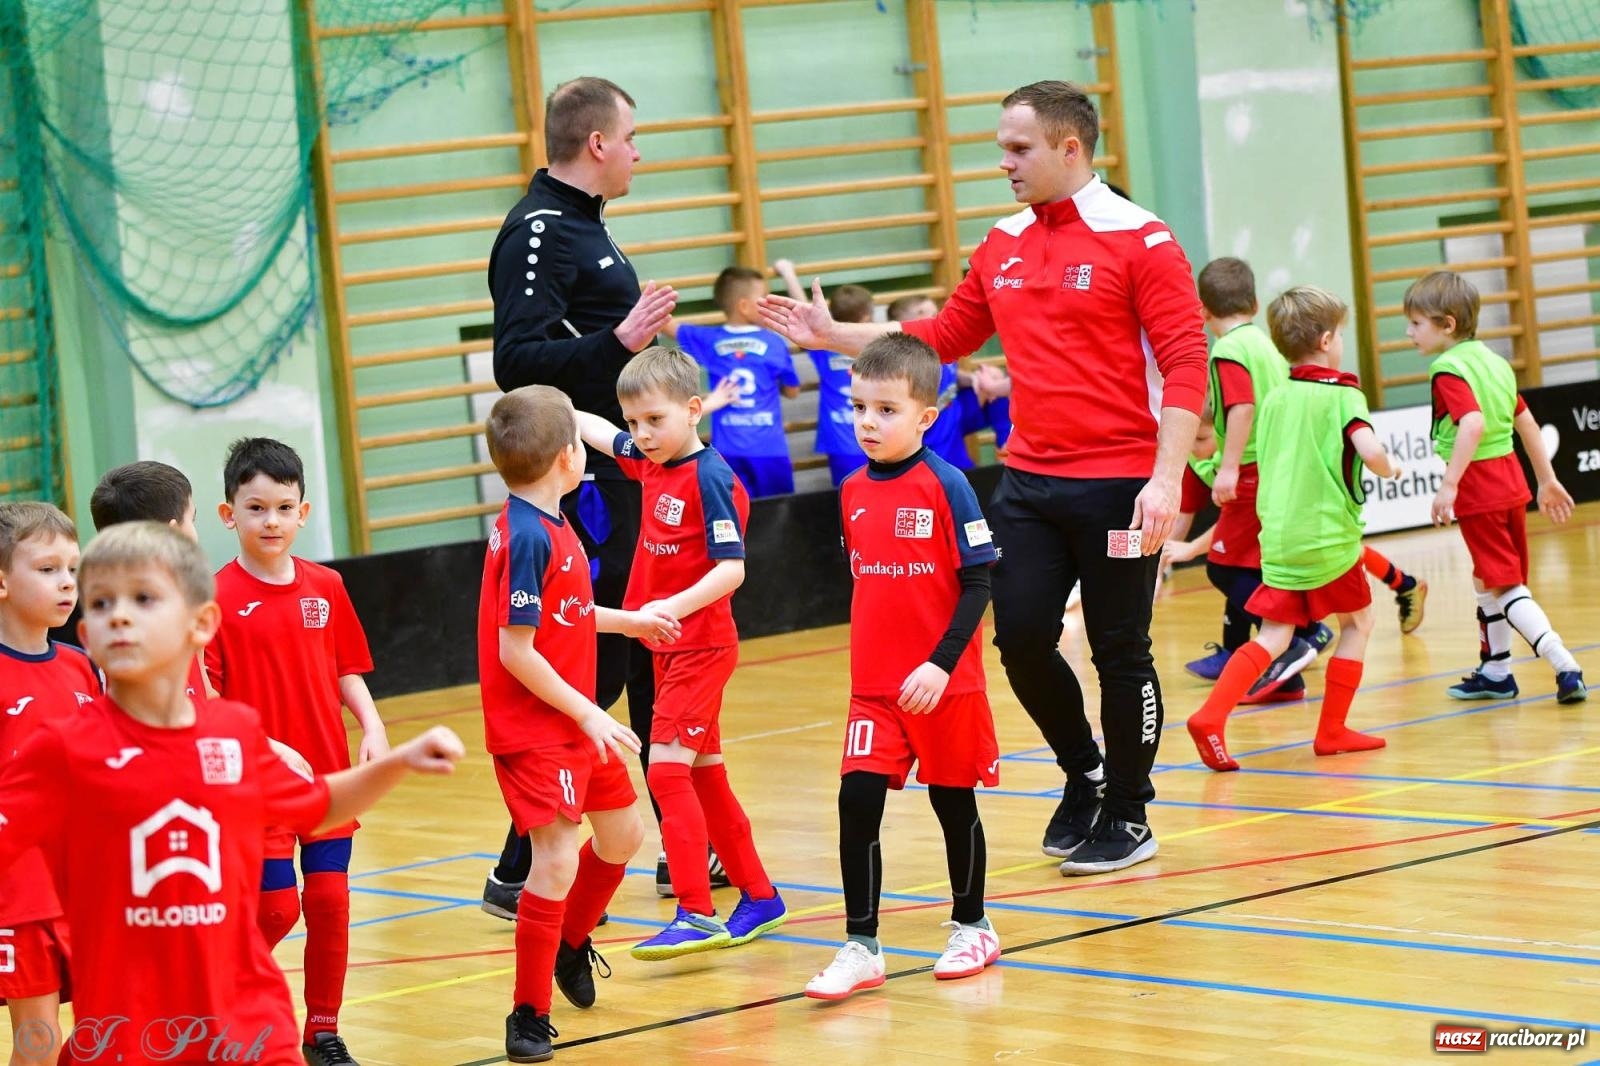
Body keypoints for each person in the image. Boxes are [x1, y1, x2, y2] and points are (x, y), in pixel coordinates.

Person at [762, 80, 1207, 874]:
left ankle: (1130, 813)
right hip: (1030, 483)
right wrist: (834, 334)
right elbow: (942, 336)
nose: (1003, 163)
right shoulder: (1002, 245)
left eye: (1018, 149)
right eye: (1002, 147)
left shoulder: (1143, 241)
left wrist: (1166, 480)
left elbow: (1184, 364)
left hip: (1120, 483)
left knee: (1119, 650)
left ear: (1070, 148)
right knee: (1023, 638)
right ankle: (1086, 771)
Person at [0, 521, 464, 1066]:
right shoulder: (63, 750)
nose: (119, 615)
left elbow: (317, 804)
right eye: (101, 604)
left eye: (145, 599)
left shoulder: (234, 734)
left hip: (247, 1026)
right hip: (129, 1034)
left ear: (203, 624)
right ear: (86, 635)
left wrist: (399, 762)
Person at [486, 75, 690, 908]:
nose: (639, 152)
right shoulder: (540, 231)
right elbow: (518, 364)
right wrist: (619, 340)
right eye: (632, 137)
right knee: (619, 652)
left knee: (627, 651)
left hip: (633, 473)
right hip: (599, 483)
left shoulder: (585, 229)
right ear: (598, 144)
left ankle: (527, 863)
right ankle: (670, 846)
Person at [480, 386, 677, 1062]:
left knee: (622, 836)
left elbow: (563, 614)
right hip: (541, 727)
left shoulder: (551, 521)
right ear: (570, 457)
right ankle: (527, 1015)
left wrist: (630, 621)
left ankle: (569, 943)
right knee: (556, 860)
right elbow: (516, 649)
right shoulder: (528, 534)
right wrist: (592, 710)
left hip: (572, 720)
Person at [803, 335, 1001, 1002]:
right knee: (855, 801)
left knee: (953, 804)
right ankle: (861, 944)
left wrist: (941, 666)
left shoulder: (950, 486)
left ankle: (972, 925)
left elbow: (978, 584)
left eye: (886, 410)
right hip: (875, 689)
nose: (867, 422)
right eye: (859, 407)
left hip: (944, 685)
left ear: (926, 415)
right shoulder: (852, 490)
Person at [573, 348, 787, 959]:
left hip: (698, 645)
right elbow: (600, 432)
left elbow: (731, 571)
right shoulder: (650, 462)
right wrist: (559, 409)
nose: (640, 435)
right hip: (668, 647)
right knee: (705, 776)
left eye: (654, 421)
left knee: (665, 770)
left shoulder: (711, 477)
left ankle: (695, 909)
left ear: (693, 411)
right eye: (634, 422)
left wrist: (669, 608)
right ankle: (761, 896)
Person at [204, 437, 387, 1065]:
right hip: (260, 789)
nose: (271, 521)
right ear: (229, 515)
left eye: (284, 508)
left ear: (303, 513)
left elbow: (346, 669)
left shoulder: (327, 585)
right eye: (256, 509)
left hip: (329, 780)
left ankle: (323, 1031)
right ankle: (217, 996)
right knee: (278, 908)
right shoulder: (215, 600)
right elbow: (211, 704)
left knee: (332, 903)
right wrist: (268, 747)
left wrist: (372, 723)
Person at [1186, 286, 1400, 771]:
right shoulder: (1344, 395)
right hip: (1328, 538)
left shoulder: (1278, 396)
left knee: (1275, 634)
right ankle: (1332, 731)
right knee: (1359, 623)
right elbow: (1368, 451)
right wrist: (1390, 467)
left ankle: (1211, 716)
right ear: (1327, 340)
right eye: (1340, 333)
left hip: (1278, 537)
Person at [1406, 270, 1585, 703]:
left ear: (1447, 324)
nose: (1409, 333)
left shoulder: (1447, 370)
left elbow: (1472, 423)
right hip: (1510, 479)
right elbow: (1525, 421)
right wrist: (1546, 479)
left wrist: (1449, 485)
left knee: (1504, 584)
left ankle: (1565, 664)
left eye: (1416, 324)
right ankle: (1497, 671)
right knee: (1489, 578)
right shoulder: (1493, 361)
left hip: (1479, 486)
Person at [0, 503, 98, 1066]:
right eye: (47, 569)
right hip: (19, 896)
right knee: (36, 1044)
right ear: (4, 581)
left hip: (83, 886)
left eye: (71, 568)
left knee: (101, 1032)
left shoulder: (80, 665)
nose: (66, 583)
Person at [667, 266, 801, 498]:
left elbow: (664, 323)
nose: (770, 304)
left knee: (735, 519)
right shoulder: (774, 342)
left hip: (727, 452)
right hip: (769, 450)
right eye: (764, 299)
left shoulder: (709, 340)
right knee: (780, 516)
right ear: (744, 306)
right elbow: (792, 391)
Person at [773, 261, 871, 487]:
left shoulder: (826, 347)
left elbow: (804, 311)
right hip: (875, 434)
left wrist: (789, 273)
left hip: (840, 439)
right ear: (866, 318)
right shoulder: (878, 344)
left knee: (850, 500)